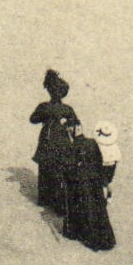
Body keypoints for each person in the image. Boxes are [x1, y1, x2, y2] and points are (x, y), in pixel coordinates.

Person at [29, 69, 79, 216]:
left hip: (47, 140)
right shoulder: (67, 109)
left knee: (45, 169)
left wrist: (46, 116)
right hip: (62, 143)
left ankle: (45, 199)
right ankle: (58, 203)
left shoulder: (44, 107)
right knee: (59, 171)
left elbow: (33, 119)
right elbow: (76, 124)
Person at [61, 124, 116, 251]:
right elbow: (99, 161)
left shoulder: (72, 147)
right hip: (95, 181)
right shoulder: (92, 142)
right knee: (98, 209)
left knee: (85, 208)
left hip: (82, 182)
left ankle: (88, 237)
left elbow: (69, 167)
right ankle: (105, 239)